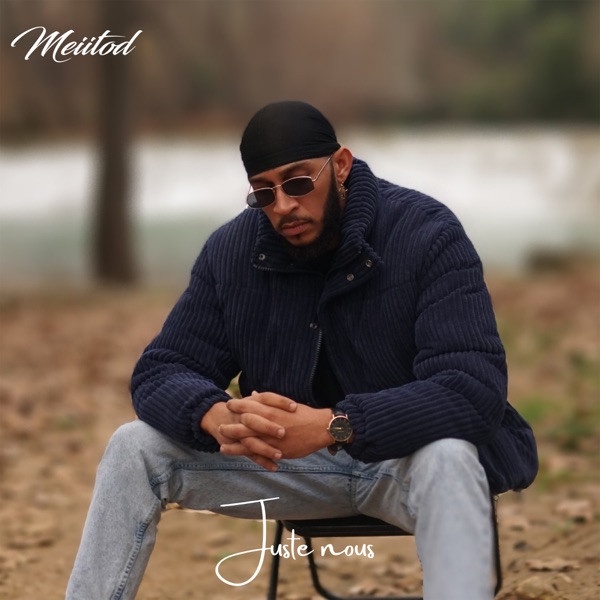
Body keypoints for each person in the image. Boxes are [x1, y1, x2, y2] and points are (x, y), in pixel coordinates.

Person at [66, 100, 538, 600]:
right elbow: (161, 369)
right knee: (133, 446)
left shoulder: (427, 233)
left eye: (297, 183)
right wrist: (214, 414)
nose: (282, 206)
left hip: (407, 461)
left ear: (341, 165)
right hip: (290, 468)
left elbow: (472, 390)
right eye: (263, 192)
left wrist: (334, 426)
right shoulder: (232, 252)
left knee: (451, 456)